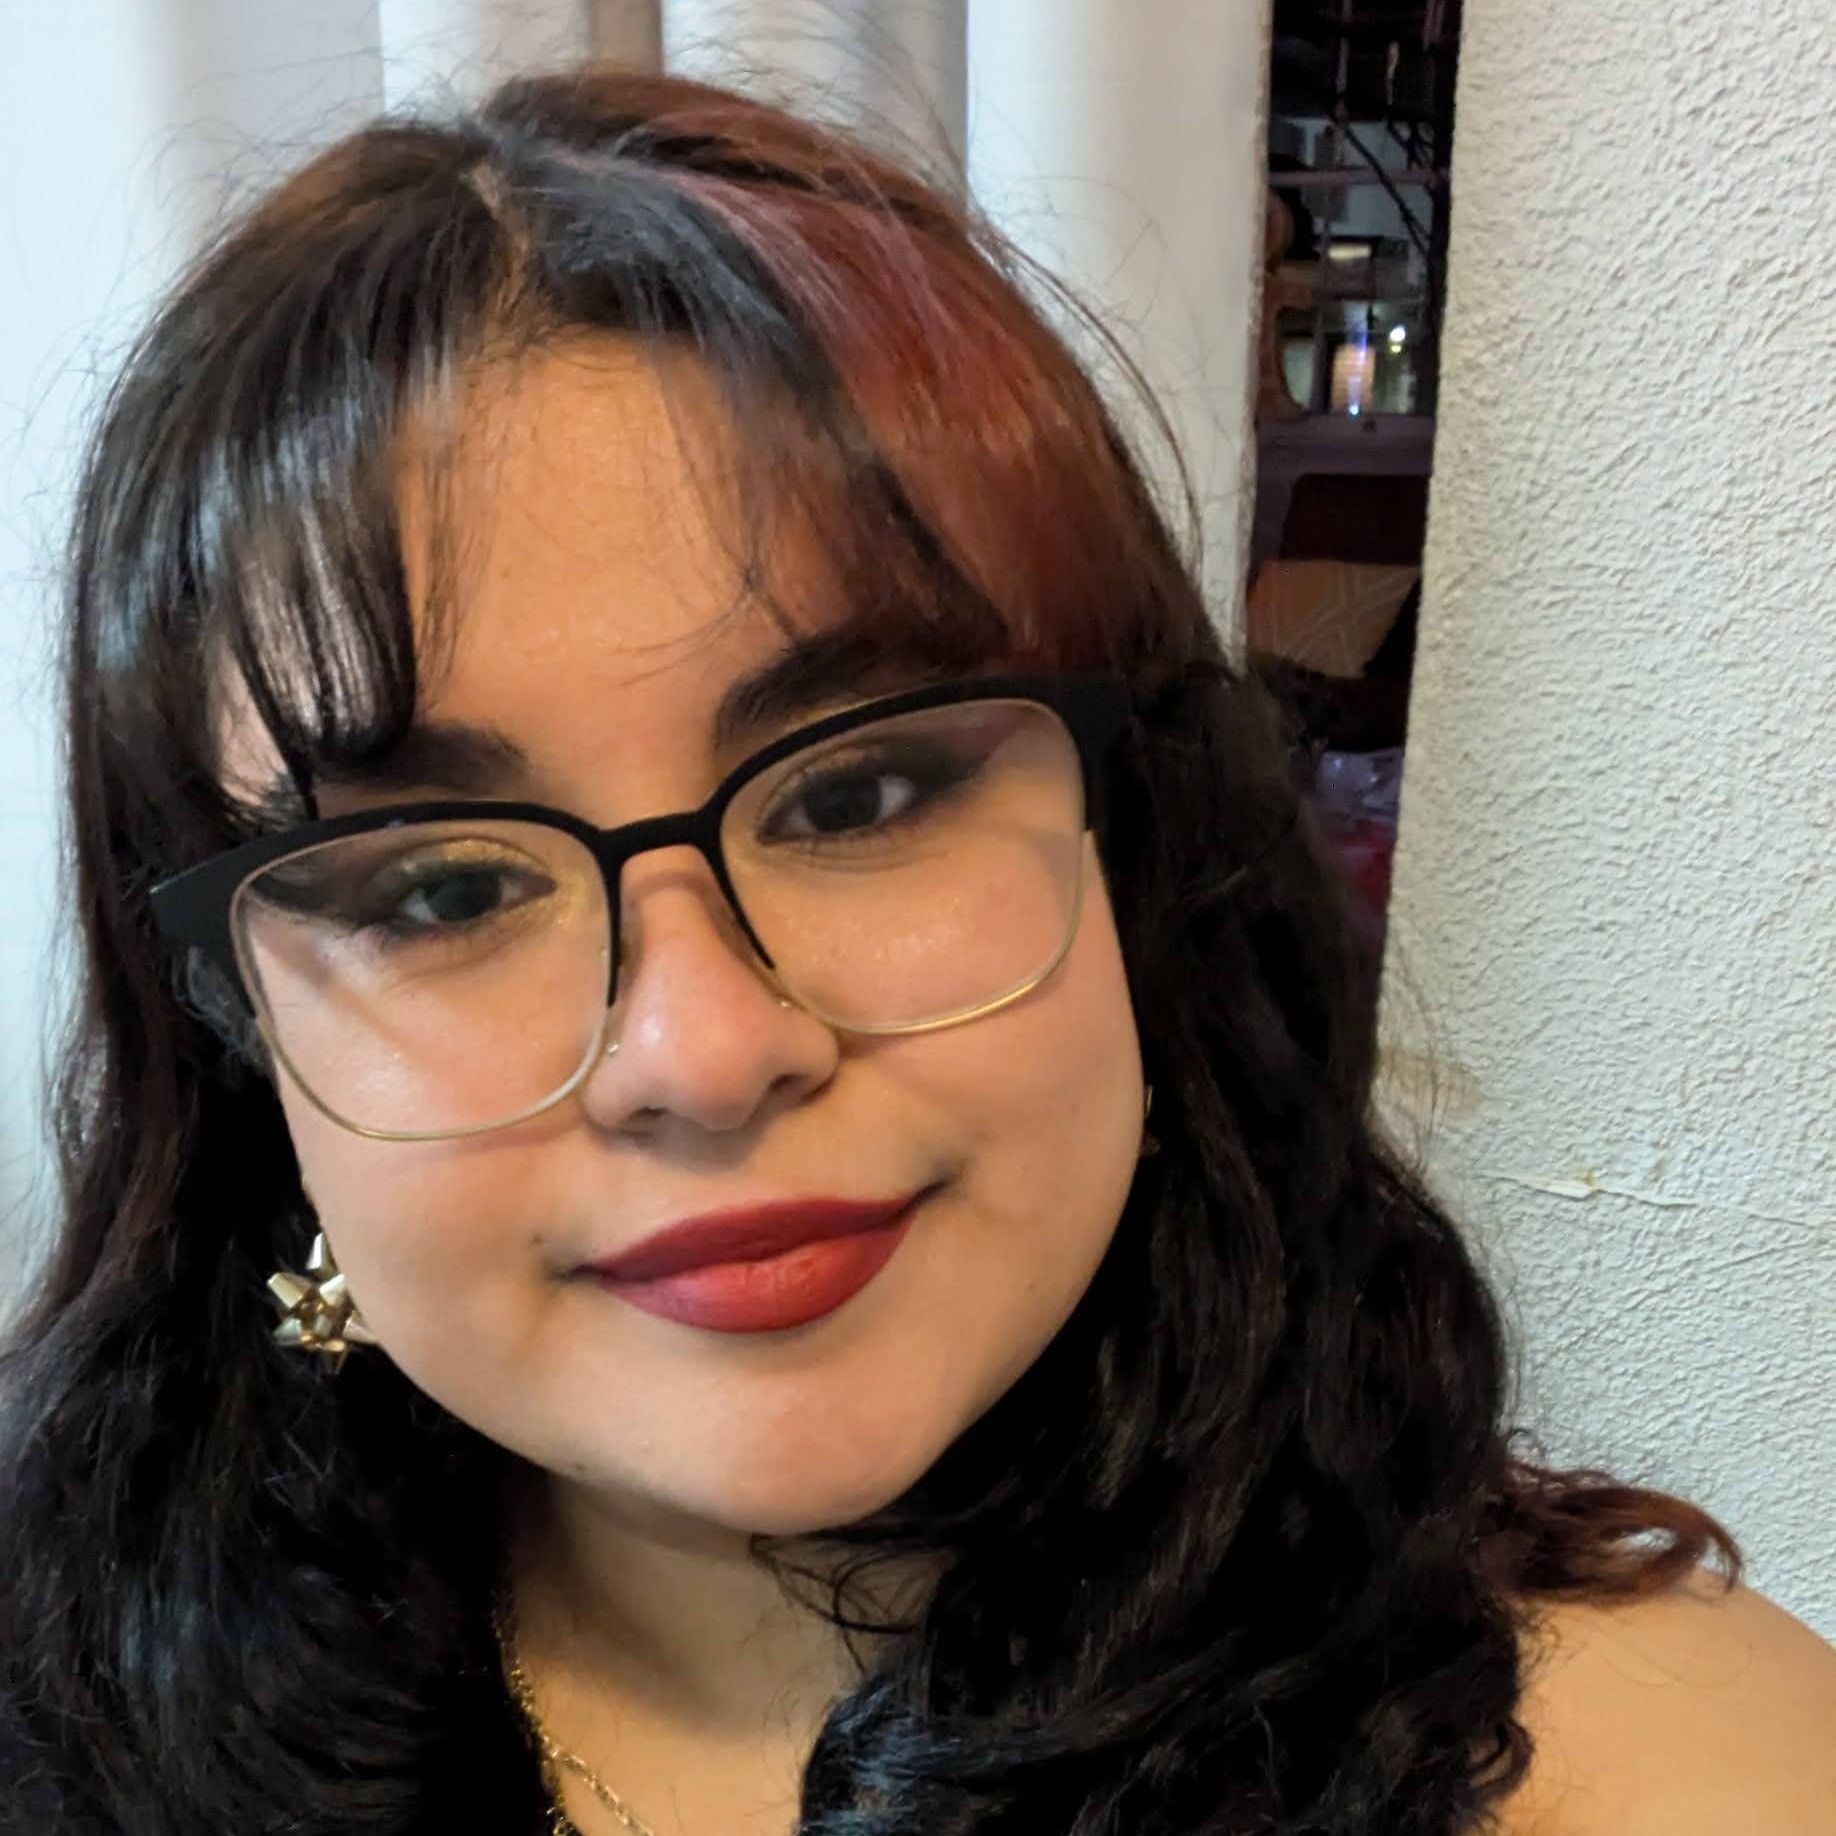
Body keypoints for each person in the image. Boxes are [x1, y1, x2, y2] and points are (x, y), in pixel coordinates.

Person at [1, 65, 1831, 1836]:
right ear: (234, 1040)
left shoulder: (1691, 1781)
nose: (705, 1057)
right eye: (438, 892)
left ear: (1146, 860)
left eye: (862, 796)